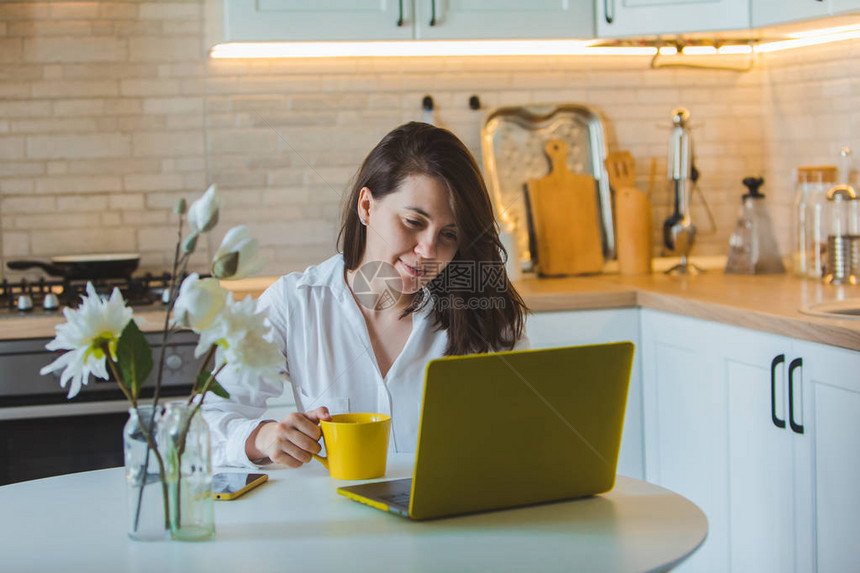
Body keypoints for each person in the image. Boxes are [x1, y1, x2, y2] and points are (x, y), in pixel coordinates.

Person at [202, 121, 529, 469]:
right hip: (340, 519)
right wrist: (262, 437)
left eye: (449, 235)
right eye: (413, 223)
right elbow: (207, 420)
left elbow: (524, 432)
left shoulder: (480, 311)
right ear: (367, 207)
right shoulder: (296, 303)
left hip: (453, 517)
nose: (428, 251)